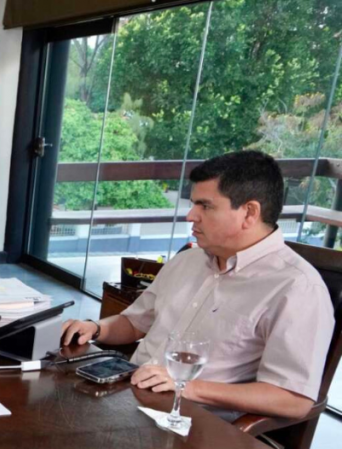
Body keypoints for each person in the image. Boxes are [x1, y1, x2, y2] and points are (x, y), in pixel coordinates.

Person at [61, 150, 334, 420]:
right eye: (193, 204)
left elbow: (294, 400)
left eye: (205, 206)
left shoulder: (297, 288)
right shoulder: (188, 260)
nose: (191, 216)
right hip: (126, 398)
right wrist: (96, 328)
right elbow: (134, 323)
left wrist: (186, 386)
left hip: (194, 425)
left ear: (249, 212)